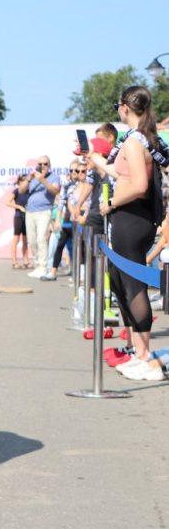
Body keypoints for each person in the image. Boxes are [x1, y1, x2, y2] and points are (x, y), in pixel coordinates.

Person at [99, 86, 166, 372]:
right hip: (134, 219)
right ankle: (140, 352)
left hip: (131, 219)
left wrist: (111, 203)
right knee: (126, 284)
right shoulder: (143, 139)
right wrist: (95, 160)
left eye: (118, 105)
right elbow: (124, 173)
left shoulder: (134, 142)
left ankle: (146, 357)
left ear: (125, 108)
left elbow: (138, 185)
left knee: (135, 286)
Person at [25, 155, 61, 279]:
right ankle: (37, 266)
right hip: (30, 212)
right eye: (40, 164)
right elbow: (21, 190)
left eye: (45, 164)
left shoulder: (54, 177)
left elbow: (55, 191)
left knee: (41, 239)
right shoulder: (34, 177)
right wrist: (29, 179)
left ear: (49, 165)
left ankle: (43, 267)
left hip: (44, 211)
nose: (43, 166)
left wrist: (43, 180)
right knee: (32, 240)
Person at [6, 175, 31, 269]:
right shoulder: (16, 191)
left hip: (27, 218)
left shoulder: (29, 192)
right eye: (24, 182)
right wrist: (19, 207)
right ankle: (14, 261)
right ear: (20, 182)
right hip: (18, 217)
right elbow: (7, 202)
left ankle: (26, 261)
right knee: (16, 239)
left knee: (25, 241)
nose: (26, 184)